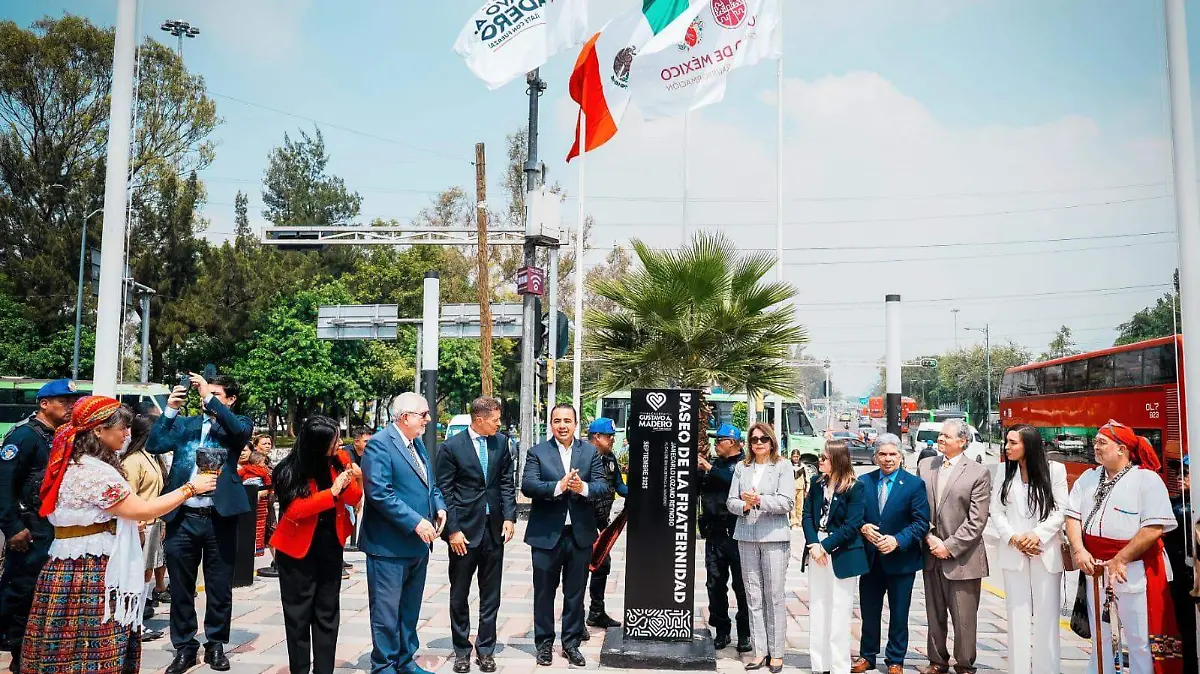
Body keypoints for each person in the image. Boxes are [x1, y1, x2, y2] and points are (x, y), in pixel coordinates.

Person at [21, 396, 217, 674]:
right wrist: (190, 489)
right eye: (122, 428)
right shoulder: (95, 473)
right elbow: (143, 508)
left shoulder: (77, 463)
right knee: (94, 642)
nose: (128, 433)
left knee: (66, 640)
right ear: (98, 431)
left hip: (70, 562)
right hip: (91, 567)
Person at [147, 373, 253, 674]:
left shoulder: (239, 424)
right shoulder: (186, 425)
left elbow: (237, 430)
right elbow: (155, 444)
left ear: (230, 399)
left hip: (219, 518)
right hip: (183, 516)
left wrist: (208, 398)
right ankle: (184, 646)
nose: (210, 398)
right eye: (208, 394)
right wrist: (170, 409)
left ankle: (216, 644)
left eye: (218, 394)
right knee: (181, 586)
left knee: (219, 587)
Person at [1065, 419, 1184, 674]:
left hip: (1135, 569)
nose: (1095, 447)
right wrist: (1079, 550)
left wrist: (1120, 558)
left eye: (1102, 442)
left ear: (1122, 449)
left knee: (1141, 640)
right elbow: (1072, 515)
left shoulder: (1147, 480)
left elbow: (1153, 528)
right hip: (1095, 569)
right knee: (1102, 636)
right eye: (1095, 442)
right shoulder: (1088, 477)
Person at [360, 392, 447, 674]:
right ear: (405, 416)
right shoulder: (380, 446)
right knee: (386, 613)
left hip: (417, 546)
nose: (428, 420)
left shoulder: (417, 444)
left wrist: (439, 506)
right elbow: (379, 494)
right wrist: (416, 522)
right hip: (388, 547)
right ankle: (383, 665)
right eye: (424, 414)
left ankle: (405, 661)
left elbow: (429, 484)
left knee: (409, 611)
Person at [270, 415, 363, 674]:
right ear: (317, 444)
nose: (340, 443)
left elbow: (354, 497)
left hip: (330, 545)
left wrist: (354, 479)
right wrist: (331, 492)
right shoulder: (289, 470)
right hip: (296, 549)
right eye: (334, 440)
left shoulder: (340, 460)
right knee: (298, 616)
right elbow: (294, 510)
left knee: (327, 612)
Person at [0, 378, 80, 671]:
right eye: (65, 402)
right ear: (44, 404)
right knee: (21, 592)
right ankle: (20, 654)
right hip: (29, 528)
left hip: (51, 528)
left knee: (42, 594)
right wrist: (11, 527)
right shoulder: (24, 437)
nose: (70, 407)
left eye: (73, 402)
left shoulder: (59, 435)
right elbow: (4, 484)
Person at [521, 404, 609, 668]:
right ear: (551, 424)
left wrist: (582, 488)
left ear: (576, 424)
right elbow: (527, 485)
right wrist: (557, 487)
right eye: (557, 420)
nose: (562, 425)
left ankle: (571, 643)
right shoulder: (537, 452)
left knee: (575, 593)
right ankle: (544, 644)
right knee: (544, 593)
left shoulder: (590, 452)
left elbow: (603, 485)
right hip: (545, 536)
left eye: (567, 421)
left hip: (579, 535)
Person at [433, 397, 515, 673]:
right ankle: (461, 651)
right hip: (463, 534)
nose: (499, 423)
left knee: (490, 594)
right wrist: (452, 530)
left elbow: (506, 481)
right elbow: (445, 492)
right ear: (479, 419)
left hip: (493, 531)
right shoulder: (451, 448)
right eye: (495, 419)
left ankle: (486, 650)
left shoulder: (501, 443)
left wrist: (509, 517)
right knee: (459, 594)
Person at [983, 425, 1069, 674]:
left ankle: (1047, 669)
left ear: (1028, 445)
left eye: (1013, 443)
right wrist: (1013, 538)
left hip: (1045, 551)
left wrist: (1036, 535)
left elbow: (1061, 509)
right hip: (1014, 551)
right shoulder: (1004, 471)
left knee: (1047, 617)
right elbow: (996, 510)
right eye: (1006, 443)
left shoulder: (1055, 471)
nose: (1007, 448)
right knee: (1016, 616)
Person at [916, 418, 992, 674]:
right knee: (934, 613)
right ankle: (937, 661)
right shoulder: (926, 465)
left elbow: (977, 520)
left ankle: (964, 664)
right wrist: (928, 537)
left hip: (962, 558)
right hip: (930, 553)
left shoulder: (978, 473)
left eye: (946, 437)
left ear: (962, 442)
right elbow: (918, 507)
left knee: (964, 618)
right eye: (941, 435)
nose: (941, 439)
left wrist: (948, 546)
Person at [852, 434, 930, 674]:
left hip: (901, 560)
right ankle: (867, 656)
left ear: (901, 456)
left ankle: (896, 659)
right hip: (871, 560)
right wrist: (862, 526)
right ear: (875, 457)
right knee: (869, 611)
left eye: (893, 454)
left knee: (899, 613)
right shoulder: (863, 482)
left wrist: (897, 540)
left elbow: (921, 522)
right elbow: (853, 516)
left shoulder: (914, 484)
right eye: (883, 454)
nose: (888, 459)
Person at [727, 423, 794, 673]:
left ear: (772, 441)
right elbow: (731, 501)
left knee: (774, 596)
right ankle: (759, 651)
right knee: (752, 596)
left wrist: (760, 501)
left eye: (763, 438)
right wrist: (744, 505)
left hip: (774, 537)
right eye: (754, 439)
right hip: (746, 535)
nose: (758, 443)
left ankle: (776, 653)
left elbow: (787, 502)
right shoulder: (741, 468)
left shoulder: (783, 466)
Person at [802, 437, 868, 674]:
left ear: (837, 460)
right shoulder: (816, 482)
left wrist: (825, 546)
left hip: (841, 552)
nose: (819, 461)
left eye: (823, 458)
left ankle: (839, 666)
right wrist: (813, 544)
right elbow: (806, 516)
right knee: (818, 607)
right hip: (816, 548)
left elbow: (852, 525)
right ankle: (820, 665)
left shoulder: (855, 487)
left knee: (839, 610)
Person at [699, 424, 753, 653]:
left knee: (742, 587)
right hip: (715, 533)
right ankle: (721, 630)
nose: (715, 444)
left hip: (738, 534)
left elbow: (733, 483)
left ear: (731, 441)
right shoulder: (716, 464)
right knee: (715, 585)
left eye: (719, 440)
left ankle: (744, 633)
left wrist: (708, 467)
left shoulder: (744, 465)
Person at [121, 412, 168, 641]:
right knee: (138, 574)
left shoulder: (154, 457)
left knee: (147, 573)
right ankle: (133, 622)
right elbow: (129, 497)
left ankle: (139, 619)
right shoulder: (133, 460)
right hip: (141, 525)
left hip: (154, 523)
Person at [585, 417, 626, 632]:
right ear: (597, 437)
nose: (612, 440)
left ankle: (596, 611)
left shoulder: (610, 457)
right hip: (583, 522)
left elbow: (619, 485)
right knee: (580, 569)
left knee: (603, 564)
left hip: (602, 523)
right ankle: (574, 617)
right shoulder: (581, 456)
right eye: (609, 436)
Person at [1165, 455, 1197, 673]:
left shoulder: (1190, 508)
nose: (1179, 477)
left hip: (1191, 575)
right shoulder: (1173, 504)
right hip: (1177, 577)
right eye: (1178, 473)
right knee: (1182, 627)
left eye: (1185, 473)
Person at [342, 427, 372, 553]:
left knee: (350, 522)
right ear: (356, 442)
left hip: (351, 491)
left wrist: (359, 498)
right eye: (366, 441)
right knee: (346, 522)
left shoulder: (366, 453)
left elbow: (360, 477)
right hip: (340, 492)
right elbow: (357, 472)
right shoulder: (347, 452)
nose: (369, 444)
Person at [790, 450, 808, 528]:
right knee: (792, 506)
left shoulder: (803, 466)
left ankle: (799, 522)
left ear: (799, 457)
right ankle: (793, 522)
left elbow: (807, 478)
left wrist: (806, 490)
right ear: (791, 457)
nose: (796, 458)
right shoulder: (788, 466)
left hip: (801, 488)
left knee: (800, 506)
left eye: (797, 456)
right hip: (791, 488)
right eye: (794, 456)